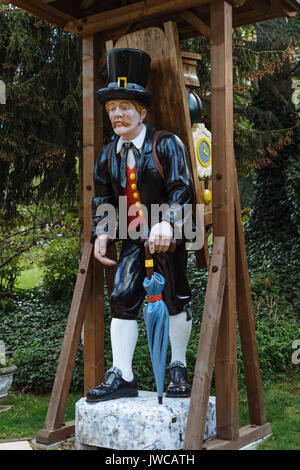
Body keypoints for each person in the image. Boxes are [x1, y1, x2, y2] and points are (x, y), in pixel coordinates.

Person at [86, 48, 195, 403]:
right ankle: (124, 374)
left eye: (124, 107)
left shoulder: (167, 145)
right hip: (134, 236)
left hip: (170, 238)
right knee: (121, 297)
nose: (116, 114)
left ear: (142, 111)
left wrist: (169, 222)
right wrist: (102, 232)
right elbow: (103, 198)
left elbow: (182, 188)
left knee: (176, 297)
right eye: (111, 108)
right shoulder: (107, 155)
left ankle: (177, 366)